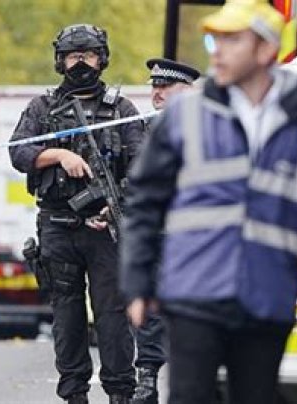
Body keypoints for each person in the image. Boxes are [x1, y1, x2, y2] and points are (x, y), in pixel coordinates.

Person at [120, 1, 297, 403]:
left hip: (267, 301)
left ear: (266, 49)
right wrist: (138, 282)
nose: (217, 51)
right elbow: (145, 203)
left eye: (232, 40)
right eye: (213, 40)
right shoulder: (184, 115)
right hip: (193, 296)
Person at [10, 24, 144, 404]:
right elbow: (18, 152)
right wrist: (58, 155)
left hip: (106, 231)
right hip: (58, 226)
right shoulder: (42, 108)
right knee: (67, 316)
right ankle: (74, 394)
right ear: (61, 61)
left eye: (88, 55)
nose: (81, 63)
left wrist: (116, 205)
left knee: (112, 316)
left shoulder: (121, 109)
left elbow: (143, 167)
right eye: (74, 56)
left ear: (102, 59)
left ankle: (120, 392)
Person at [131, 57, 200, 404]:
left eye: (165, 86)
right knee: (150, 308)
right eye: (154, 86)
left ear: (186, 90)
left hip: (196, 236)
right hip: (158, 233)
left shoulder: (206, 127)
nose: (157, 93)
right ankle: (147, 377)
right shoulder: (143, 128)